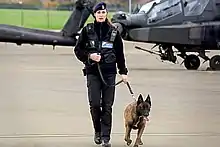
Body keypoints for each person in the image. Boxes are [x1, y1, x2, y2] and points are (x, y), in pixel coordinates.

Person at [74, 1, 128, 147]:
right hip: (93, 72)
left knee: (107, 106)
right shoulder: (87, 30)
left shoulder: (114, 32)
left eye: (103, 12)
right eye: (98, 12)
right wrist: (90, 56)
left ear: (106, 14)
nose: (101, 15)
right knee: (95, 104)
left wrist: (123, 72)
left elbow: (120, 54)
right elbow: (77, 50)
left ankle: (106, 138)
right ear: (95, 14)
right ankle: (97, 131)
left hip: (110, 73)